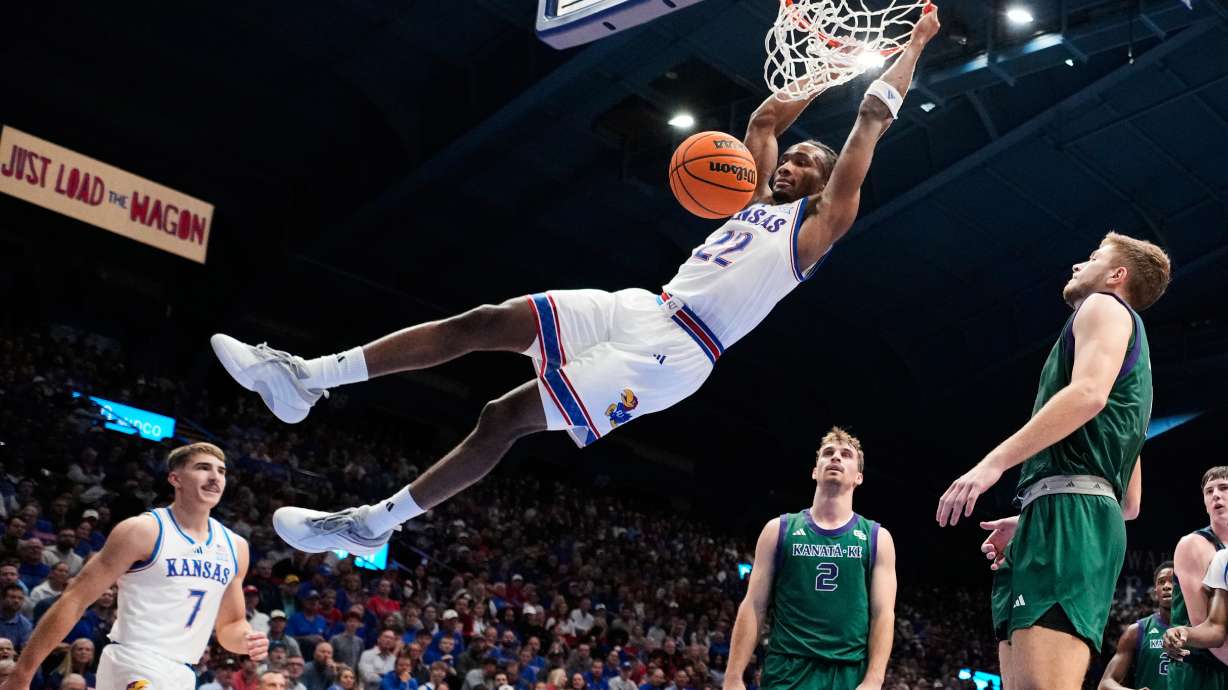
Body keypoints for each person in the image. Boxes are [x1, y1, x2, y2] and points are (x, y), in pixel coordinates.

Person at [209, 8, 943, 557]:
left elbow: (868, 128)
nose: (793, 162)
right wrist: (827, 66)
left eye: (807, 162)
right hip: (644, 309)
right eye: (792, 158)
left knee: (502, 417)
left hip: (675, 358)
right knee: (485, 320)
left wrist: (906, 50)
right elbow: (762, 117)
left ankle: (372, 524)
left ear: (824, 184)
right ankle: (304, 377)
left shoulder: (815, 231)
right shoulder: (751, 200)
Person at [939, 232, 1172, 690]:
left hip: (1071, 521)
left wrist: (994, 463)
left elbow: (1086, 395)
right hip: (1065, 515)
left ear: (1116, 276)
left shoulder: (1104, 307)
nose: (1077, 265)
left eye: (1092, 257)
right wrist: (1033, 515)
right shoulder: (1137, 369)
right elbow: (1130, 502)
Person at [0, 442, 269, 690]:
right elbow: (74, 599)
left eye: (221, 471)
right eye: (203, 468)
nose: (215, 477)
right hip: (132, 661)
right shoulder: (142, 530)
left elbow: (230, 625)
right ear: (175, 479)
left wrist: (247, 639)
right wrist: (22, 674)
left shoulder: (235, 547)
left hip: (184, 672)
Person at [724, 428, 897, 690]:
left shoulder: (877, 538)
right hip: (787, 670)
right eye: (828, 453)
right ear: (815, 471)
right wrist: (733, 676)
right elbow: (754, 605)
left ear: (858, 477)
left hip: (848, 672)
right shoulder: (779, 529)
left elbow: (883, 614)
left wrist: (874, 678)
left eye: (845, 454)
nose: (836, 458)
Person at [1163, 467, 1228, 690]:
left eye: (1224, 488)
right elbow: (1208, 630)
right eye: (1209, 491)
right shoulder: (1193, 545)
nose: (1216, 495)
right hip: (1199, 671)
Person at [1098, 562, 1174, 690]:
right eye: (1161, 582)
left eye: (1172, 581)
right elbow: (1105, 683)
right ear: (1155, 590)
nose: (1166, 586)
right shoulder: (1136, 631)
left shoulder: (1199, 630)